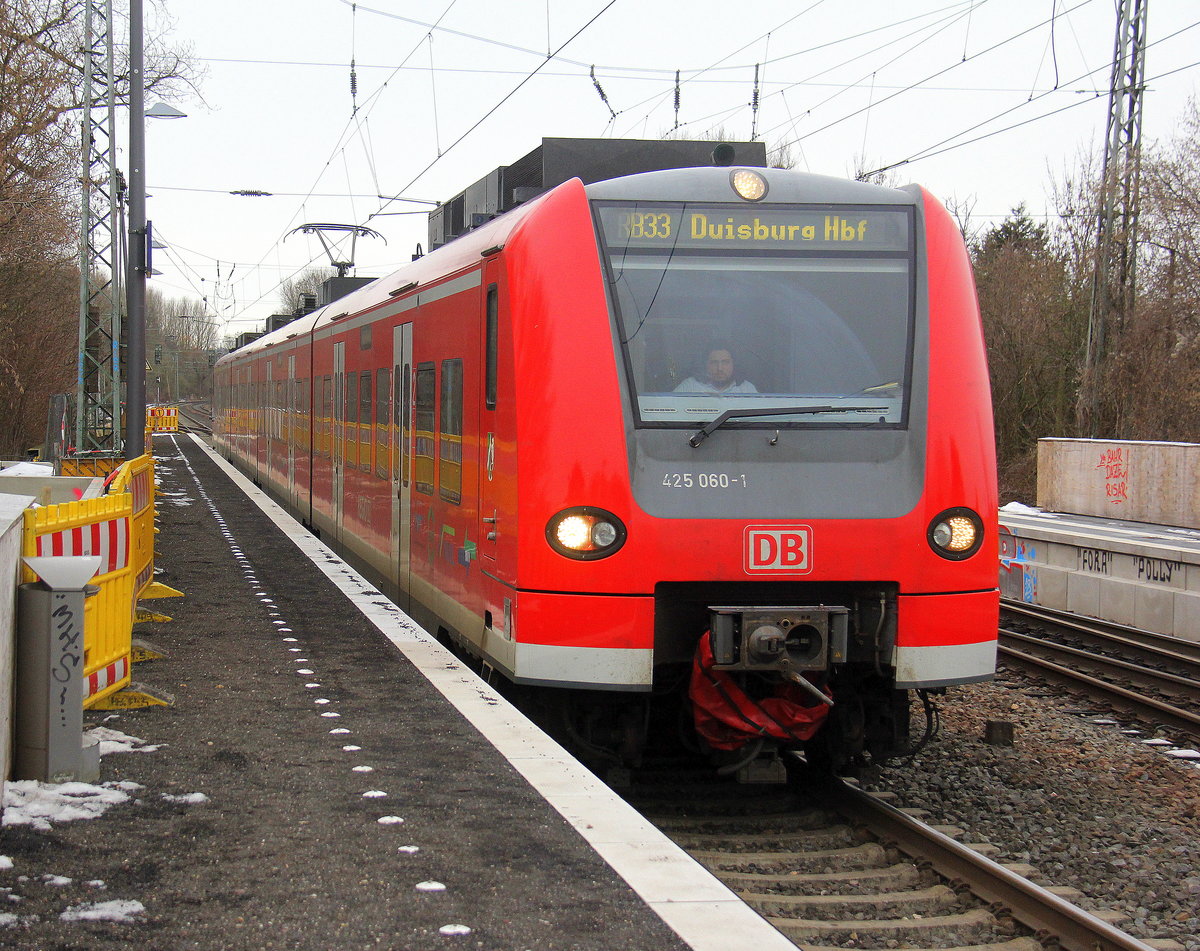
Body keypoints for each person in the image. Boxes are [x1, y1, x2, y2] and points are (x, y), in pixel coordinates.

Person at [674, 345, 758, 394]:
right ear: (706, 365)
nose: (720, 368)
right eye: (714, 362)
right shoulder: (690, 386)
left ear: (733, 364)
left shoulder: (747, 389)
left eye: (725, 362)